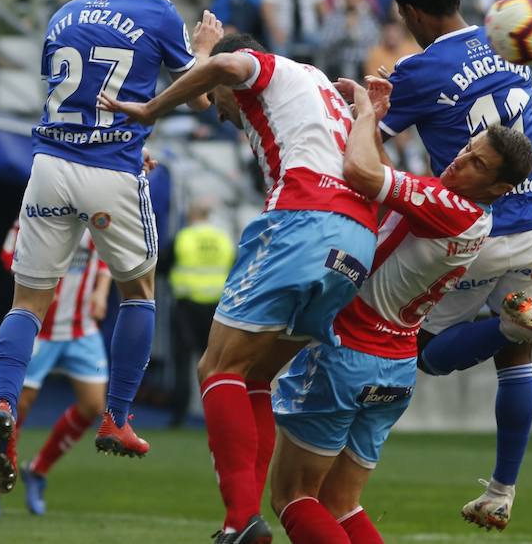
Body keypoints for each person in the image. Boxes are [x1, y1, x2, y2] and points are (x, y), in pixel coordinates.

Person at [269, 79, 532, 543]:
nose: (461, 157)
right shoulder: (470, 215)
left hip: (350, 353)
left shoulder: (449, 207)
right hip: (396, 366)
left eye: (477, 162)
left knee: (293, 497)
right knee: (342, 504)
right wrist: (376, 120)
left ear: (499, 187)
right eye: (468, 147)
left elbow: (360, 171)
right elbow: (387, 175)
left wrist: (362, 113)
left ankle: (508, 327)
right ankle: (509, 326)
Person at [97, 32, 379, 544]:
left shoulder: (260, 65)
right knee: (253, 377)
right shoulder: (313, 86)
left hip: (303, 221)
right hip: (357, 242)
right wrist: (201, 58)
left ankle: (239, 519)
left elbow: (227, 70)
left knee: (216, 367)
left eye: (223, 108)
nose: (221, 117)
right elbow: (212, 87)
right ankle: (246, 516)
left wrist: (150, 110)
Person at [0, 0, 224, 496]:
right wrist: (207, 47)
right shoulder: (159, 16)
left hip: (48, 167)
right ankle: (118, 417)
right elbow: (202, 92)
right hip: (113, 170)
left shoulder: (63, 15)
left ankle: (2, 404)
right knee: (138, 293)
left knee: (26, 304)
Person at [381, 0, 532, 530]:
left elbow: (370, 141)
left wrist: (371, 101)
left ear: (411, 11)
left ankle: (511, 319)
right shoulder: (510, 43)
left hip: (474, 227)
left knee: (426, 353)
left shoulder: (417, 70)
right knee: (516, 359)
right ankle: (503, 491)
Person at [0, 224, 112, 517]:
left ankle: (37, 470)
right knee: (15, 408)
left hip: (82, 329)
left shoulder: (94, 210)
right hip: (41, 329)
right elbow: (8, 254)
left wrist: (101, 292)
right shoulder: (38, 210)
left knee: (93, 406)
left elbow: (105, 255)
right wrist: (37, 282)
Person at [167, 199, 235, 428]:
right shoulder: (223, 239)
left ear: (191, 215)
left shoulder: (184, 237)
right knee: (216, 364)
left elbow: (162, 265)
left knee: (182, 362)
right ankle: (218, 416)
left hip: (186, 307)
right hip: (217, 310)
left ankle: (178, 416)